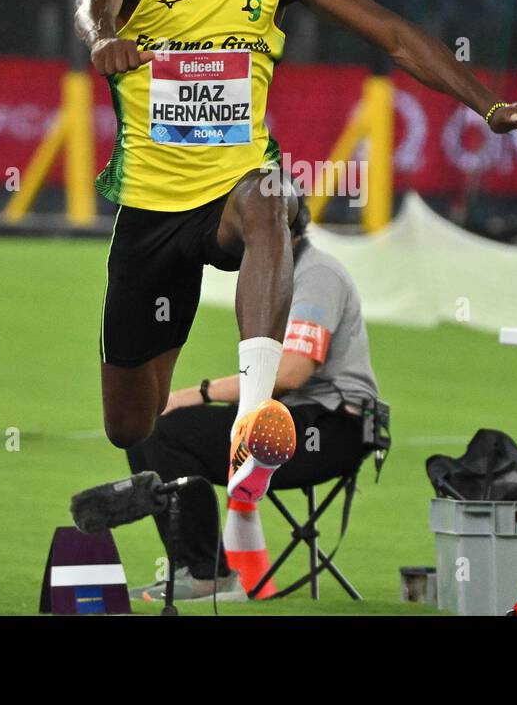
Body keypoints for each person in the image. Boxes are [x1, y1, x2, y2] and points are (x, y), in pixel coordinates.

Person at [75, 0, 517, 505]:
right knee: (131, 423)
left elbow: (390, 34)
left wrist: (489, 105)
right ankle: (187, 476)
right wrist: (105, 37)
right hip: (151, 211)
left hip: (233, 197)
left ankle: (257, 414)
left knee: (271, 196)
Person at [125, 193, 378, 599]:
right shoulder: (286, 270)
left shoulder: (316, 275)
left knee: (165, 434)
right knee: (149, 433)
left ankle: (207, 574)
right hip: (296, 417)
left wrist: (200, 393)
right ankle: (196, 567)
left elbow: (292, 372)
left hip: (334, 427)